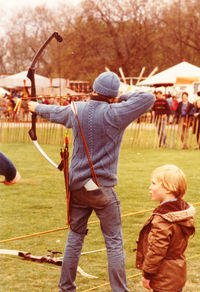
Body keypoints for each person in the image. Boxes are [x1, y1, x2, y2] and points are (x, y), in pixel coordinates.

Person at [28, 71, 155, 292]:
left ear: (94, 89)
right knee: (114, 241)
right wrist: (121, 96)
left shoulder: (77, 110)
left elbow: (55, 112)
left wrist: (36, 108)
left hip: (78, 186)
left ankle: (66, 288)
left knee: (75, 236)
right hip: (100, 188)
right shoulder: (116, 112)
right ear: (111, 95)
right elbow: (148, 98)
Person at [135, 164, 195, 292]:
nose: (150, 187)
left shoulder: (163, 219)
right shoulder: (182, 212)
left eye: (154, 183)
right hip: (177, 273)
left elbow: (156, 250)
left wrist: (147, 275)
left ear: (168, 188)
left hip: (163, 277)